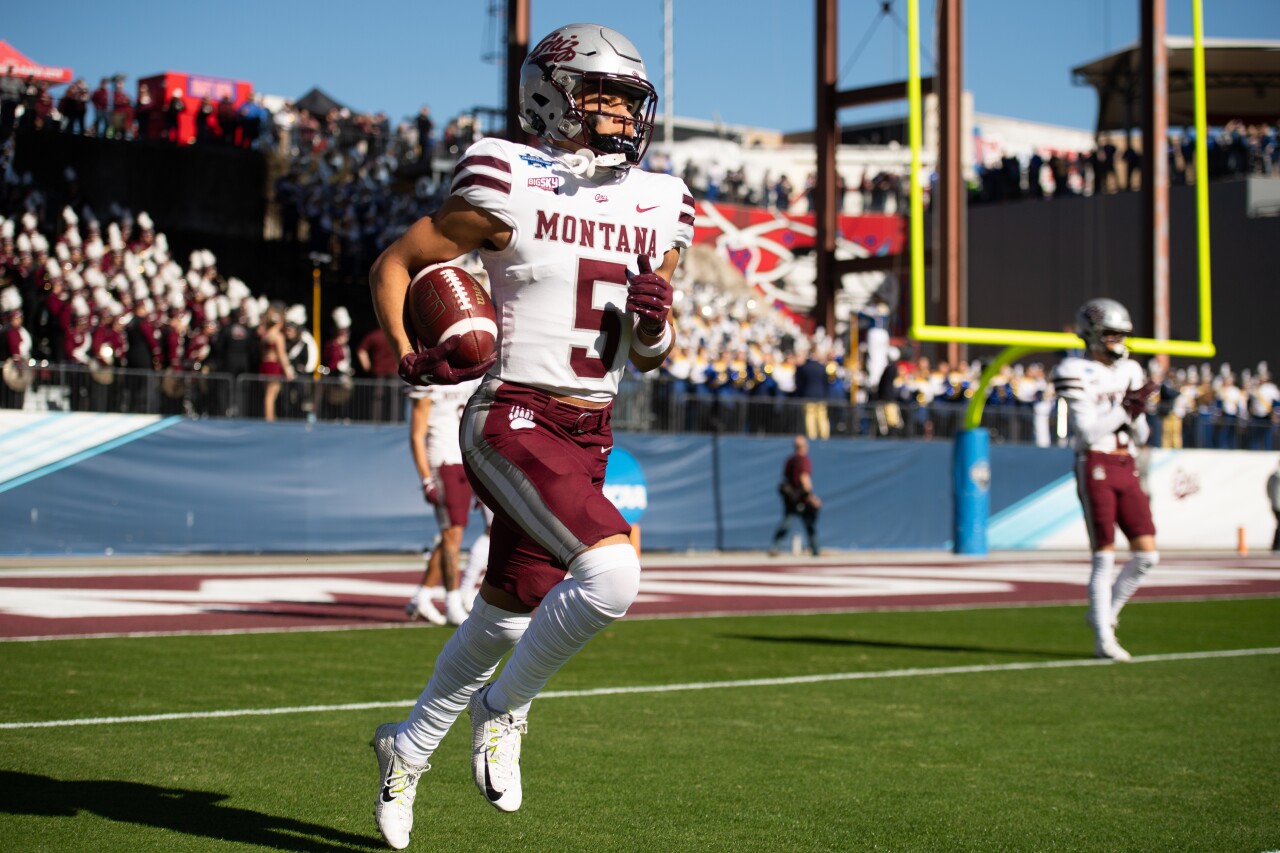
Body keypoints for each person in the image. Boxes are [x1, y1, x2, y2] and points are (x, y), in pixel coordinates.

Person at [366, 23, 691, 850]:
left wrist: (653, 326)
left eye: (628, 97)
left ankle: (407, 747)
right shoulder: (507, 174)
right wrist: (410, 354)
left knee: (506, 614)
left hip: (591, 425)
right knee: (613, 574)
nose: (621, 112)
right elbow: (394, 265)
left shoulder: (659, 200)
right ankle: (505, 708)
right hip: (509, 411)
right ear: (550, 93)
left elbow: (648, 357)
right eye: (603, 93)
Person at [1050, 298, 1160, 662]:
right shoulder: (1073, 370)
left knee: (1148, 556)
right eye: (1111, 334)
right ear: (1093, 335)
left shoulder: (1130, 370)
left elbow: (1142, 435)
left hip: (1126, 461)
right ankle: (1102, 637)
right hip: (1094, 461)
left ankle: (1105, 615)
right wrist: (1125, 408)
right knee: (1104, 557)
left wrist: (1138, 412)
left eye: (1121, 335)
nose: (1118, 342)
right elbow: (1086, 432)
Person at [404, 377, 484, 626]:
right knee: (453, 534)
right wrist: (426, 477)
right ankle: (451, 603)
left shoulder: (471, 376)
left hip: (465, 459)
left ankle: (422, 596)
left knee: (452, 533)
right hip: (442, 461)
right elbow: (417, 435)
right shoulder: (429, 381)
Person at [768, 435, 822, 556]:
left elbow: (785, 479)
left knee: (787, 523)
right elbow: (804, 478)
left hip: (791, 498)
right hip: (801, 497)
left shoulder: (790, 460)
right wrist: (811, 496)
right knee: (808, 524)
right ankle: (816, 550)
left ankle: (775, 547)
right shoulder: (803, 460)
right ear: (802, 447)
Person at [1268, 460, 1280, 553]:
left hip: (1275, 504)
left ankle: (1276, 546)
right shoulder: (1276, 476)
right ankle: (1276, 546)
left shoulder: (1273, 476)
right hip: (1277, 505)